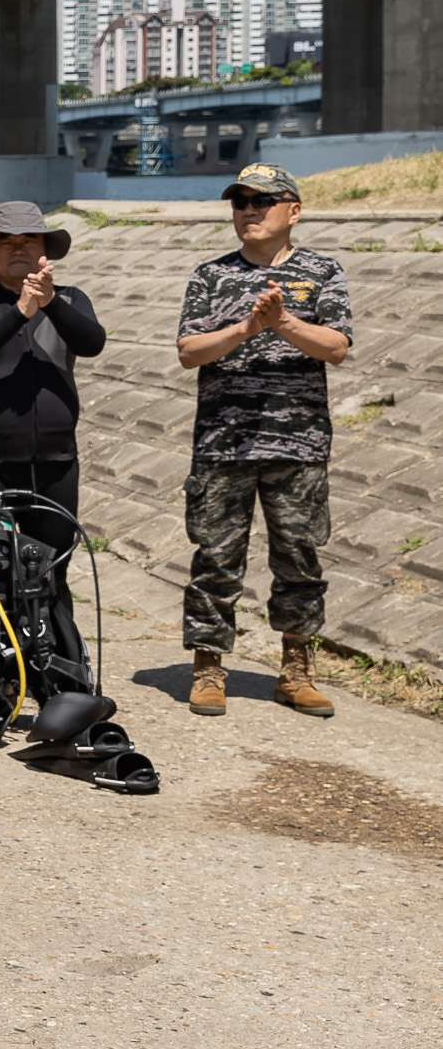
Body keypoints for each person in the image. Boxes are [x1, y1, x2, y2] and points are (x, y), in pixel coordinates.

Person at [174, 163, 352, 719]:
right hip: (224, 444)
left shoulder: (323, 272)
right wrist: (246, 329)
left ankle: (296, 671)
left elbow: (337, 347)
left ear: (292, 211)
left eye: (262, 201)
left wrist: (282, 324)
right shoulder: (210, 275)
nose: (248, 211)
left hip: (298, 445)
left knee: (299, 561)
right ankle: (208, 669)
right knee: (216, 560)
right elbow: (189, 352)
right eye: (240, 203)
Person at [0, 202, 107, 553]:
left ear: (45, 250)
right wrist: (19, 312)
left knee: (52, 572)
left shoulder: (70, 298)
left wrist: (50, 303)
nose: (18, 247)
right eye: (4, 240)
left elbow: (92, 342)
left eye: (29, 239)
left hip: (56, 466)